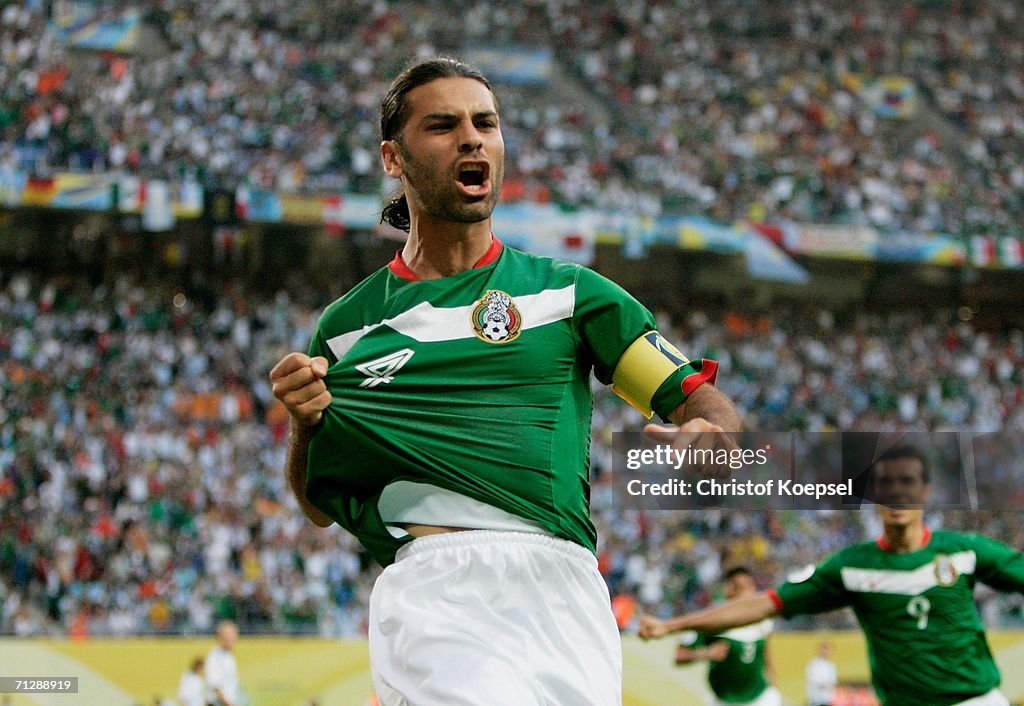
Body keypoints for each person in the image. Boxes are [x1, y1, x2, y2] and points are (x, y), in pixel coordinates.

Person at [269, 55, 742, 706]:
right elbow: (320, 503)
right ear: (393, 158)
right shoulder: (348, 327)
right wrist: (304, 424)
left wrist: (712, 434)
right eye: (443, 125)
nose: (472, 138)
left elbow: (694, 398)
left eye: (485, 123)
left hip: (568, 590)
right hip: (442, 586)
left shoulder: (572, 295)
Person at [639, 445, 1024, 706]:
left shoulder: (964, 551)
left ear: (925, 491)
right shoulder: (851, 567)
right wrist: (676, 624)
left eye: (906, 482)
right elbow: (764, 604)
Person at [675, 567, 780, 706]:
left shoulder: (762, 620)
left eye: (750, 585)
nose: (747, 592)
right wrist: (706, 653)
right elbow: (679, 656)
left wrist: (774, 681)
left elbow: (766, 652)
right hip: (724, 699)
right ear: (729, 590)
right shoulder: (711, 620)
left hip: (759, 697)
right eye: (740, 587)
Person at [205, 620, 241, 706]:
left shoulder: (228, 655)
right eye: (228, 634)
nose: (233, 637)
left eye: (234, 634)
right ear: (220, 636)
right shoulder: (215, 656)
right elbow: (216, 687)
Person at [805, 641, 837, 706]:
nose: (826, 652)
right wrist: (824, 685)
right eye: (824, 649)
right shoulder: (813, 664)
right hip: (815, 699)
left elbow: (833, 682)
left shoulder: (831, 665)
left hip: (827, 699)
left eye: (828, 650)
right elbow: (813, 680)